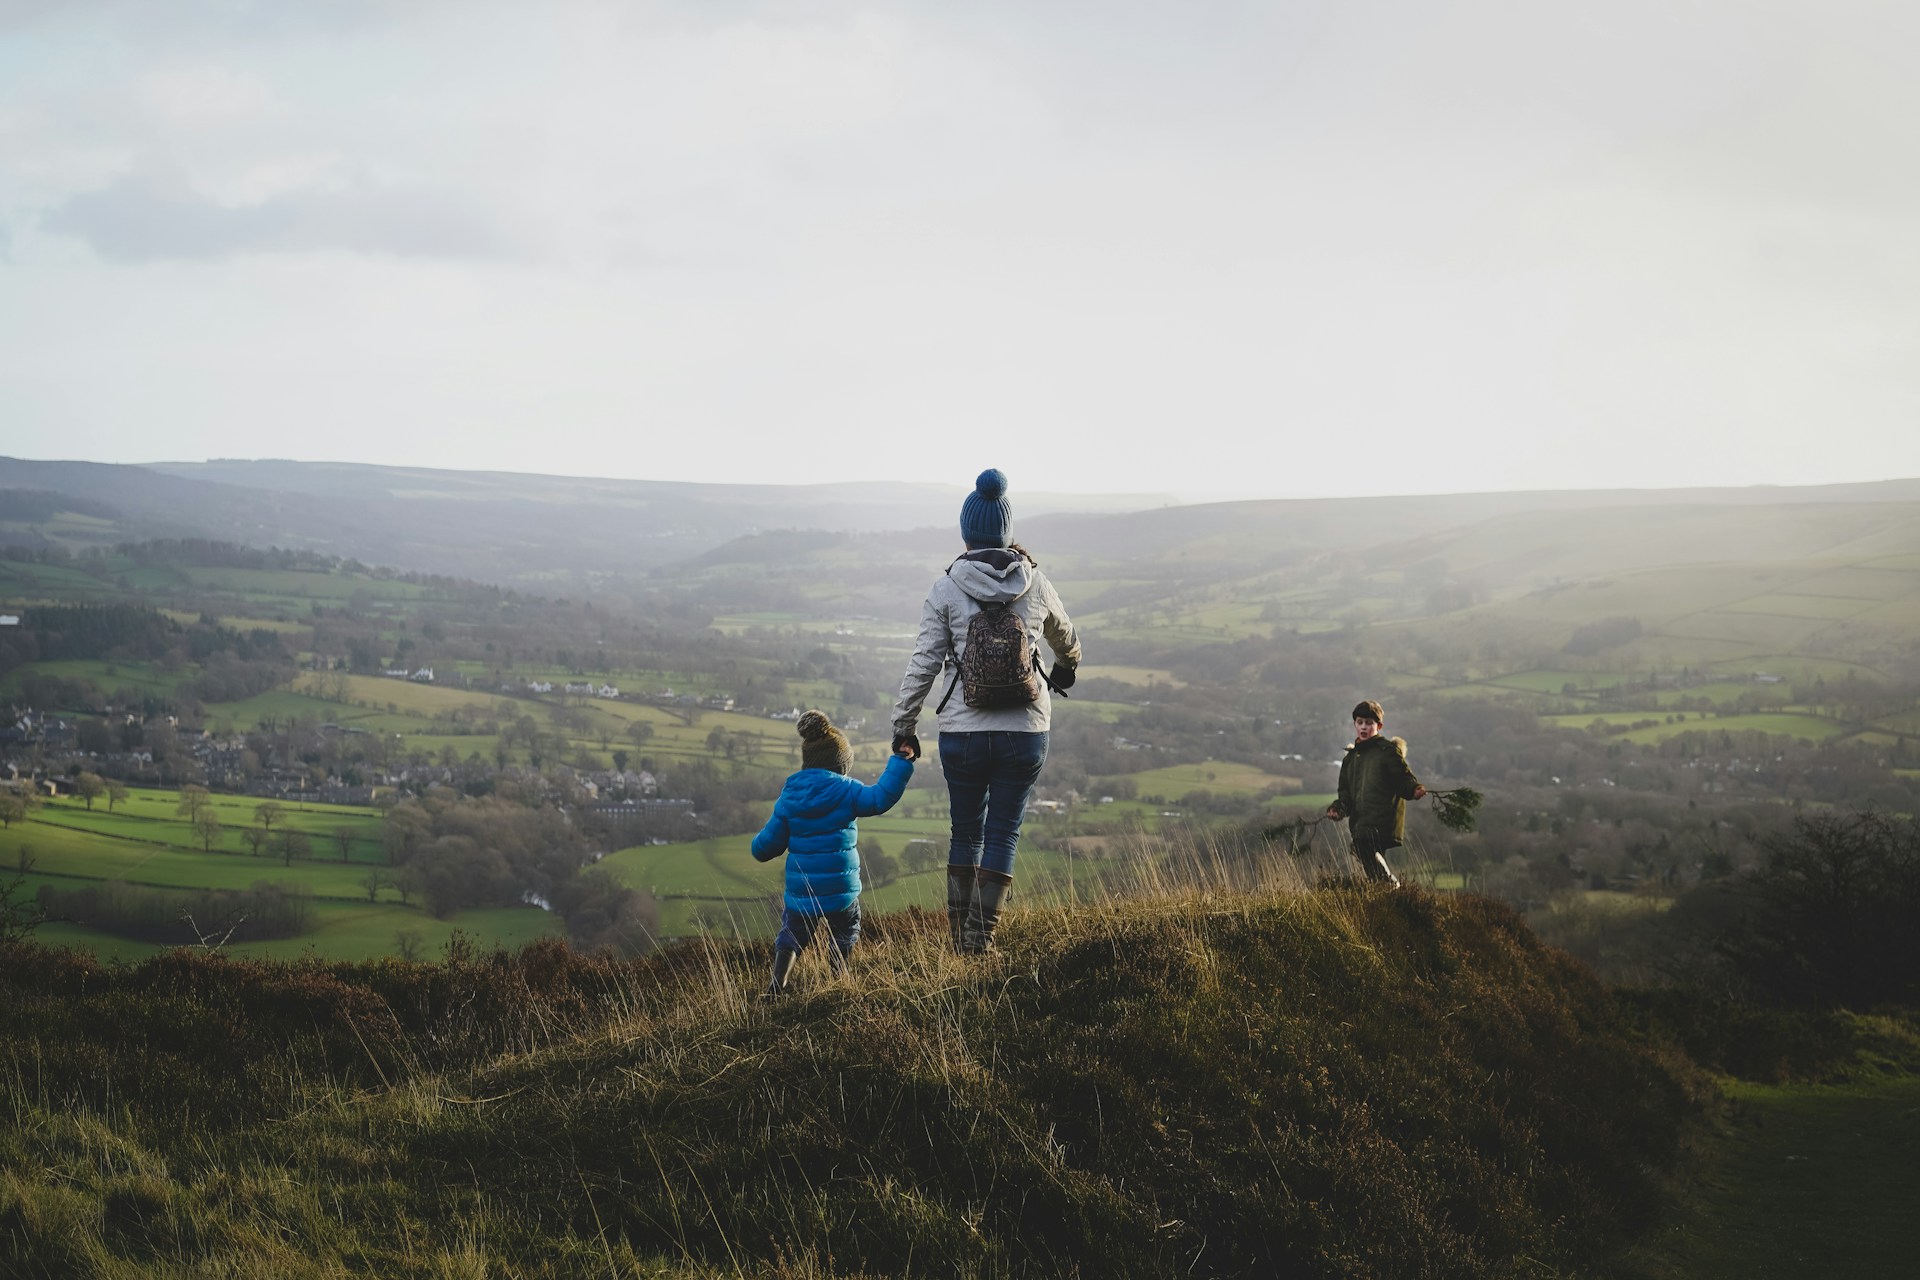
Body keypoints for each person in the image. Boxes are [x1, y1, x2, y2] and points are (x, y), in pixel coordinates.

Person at [892, 468, 1081, 954]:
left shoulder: (947, 588)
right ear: (1007, 531)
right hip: (1025, 732)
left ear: (966, 532)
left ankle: (960, 944)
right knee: (1003, 833)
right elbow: (1067, 638)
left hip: (963, 734)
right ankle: (982, 941)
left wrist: (904, 726)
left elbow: (923, 665)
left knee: (965, 833)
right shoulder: (1035, 582)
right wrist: (1065, 671)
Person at [752, 709, 914, 995]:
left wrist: (757, 846)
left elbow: (766, 846)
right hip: (841, 889)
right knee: (846, 929)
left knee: (791, 934)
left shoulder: (790, 796)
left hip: (803, 892)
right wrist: (901, 761)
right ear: (840, 764)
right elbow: (880, 798)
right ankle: (839, 978)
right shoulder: (847, 791)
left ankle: (778, 984)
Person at [1326, 699, 1425, 887]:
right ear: (1354, 724)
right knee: (1363, 853)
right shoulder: (1350, 759)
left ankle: (1390, 885)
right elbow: (1345, 793)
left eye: (1369, 723)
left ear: (1379, 726)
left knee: (1362, 848)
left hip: (1383, 818)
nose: (1364, 727)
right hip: (1361, 820)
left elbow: (1402, 777)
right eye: (1360, 722)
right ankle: (1385, 892)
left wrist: (1413, 789)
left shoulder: (1387, 751)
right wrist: (1338, 809)